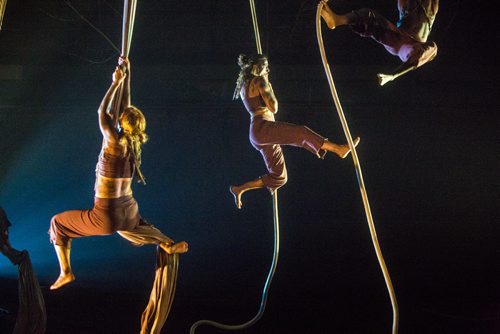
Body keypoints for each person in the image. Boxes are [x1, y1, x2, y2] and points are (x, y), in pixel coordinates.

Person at [48, 57, 188, 290]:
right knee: (131, 230)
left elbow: (101, 112)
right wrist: (127, 74)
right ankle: (166, 244)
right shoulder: (133, 143)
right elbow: (125, 106)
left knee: (58, 224)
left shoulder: (113, 140)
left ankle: (66, 272)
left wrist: (115, 83)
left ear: (122, 124)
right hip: (129, 212)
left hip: (108, 215)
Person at [229, 54, 360, 209]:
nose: (267, 70)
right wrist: (269, 86)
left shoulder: (244, 84)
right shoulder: (260, 81)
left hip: (258, 133)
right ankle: (338, 149)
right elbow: (274, 107)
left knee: (280, 177)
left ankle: (240, 189)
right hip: (263, 128)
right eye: (265, 66)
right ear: (257, 67)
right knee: (301, 133)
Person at [320, 0, 439, 86]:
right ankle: (336, 20)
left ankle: (394, 74)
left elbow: (419, 55)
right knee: (369, 15)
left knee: (429, 49)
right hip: (400, 36)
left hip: (408, 44)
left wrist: (392, 76)